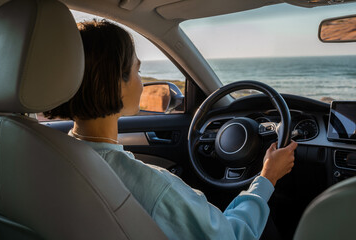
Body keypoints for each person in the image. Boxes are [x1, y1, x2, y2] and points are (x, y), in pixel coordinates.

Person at [44, 19, 297, 240]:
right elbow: (232, 235)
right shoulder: (154, 188)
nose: (142, 82)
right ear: (116, 84)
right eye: (137, 70)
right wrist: (267, 178)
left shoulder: (44, 153)